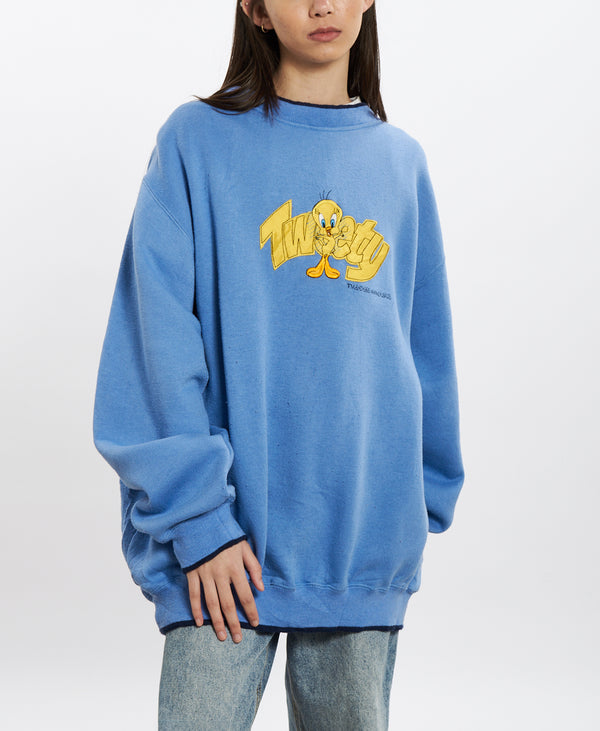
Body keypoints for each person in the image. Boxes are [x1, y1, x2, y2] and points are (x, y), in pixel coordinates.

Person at [92, 0, 465, 728]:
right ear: (256, 10)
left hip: (361, 549)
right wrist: (200, 522)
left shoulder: (400, 162)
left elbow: (425, 351)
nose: (323, 4)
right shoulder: (195, 143)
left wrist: (410, 511)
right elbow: (153, 349)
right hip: (219, 549)